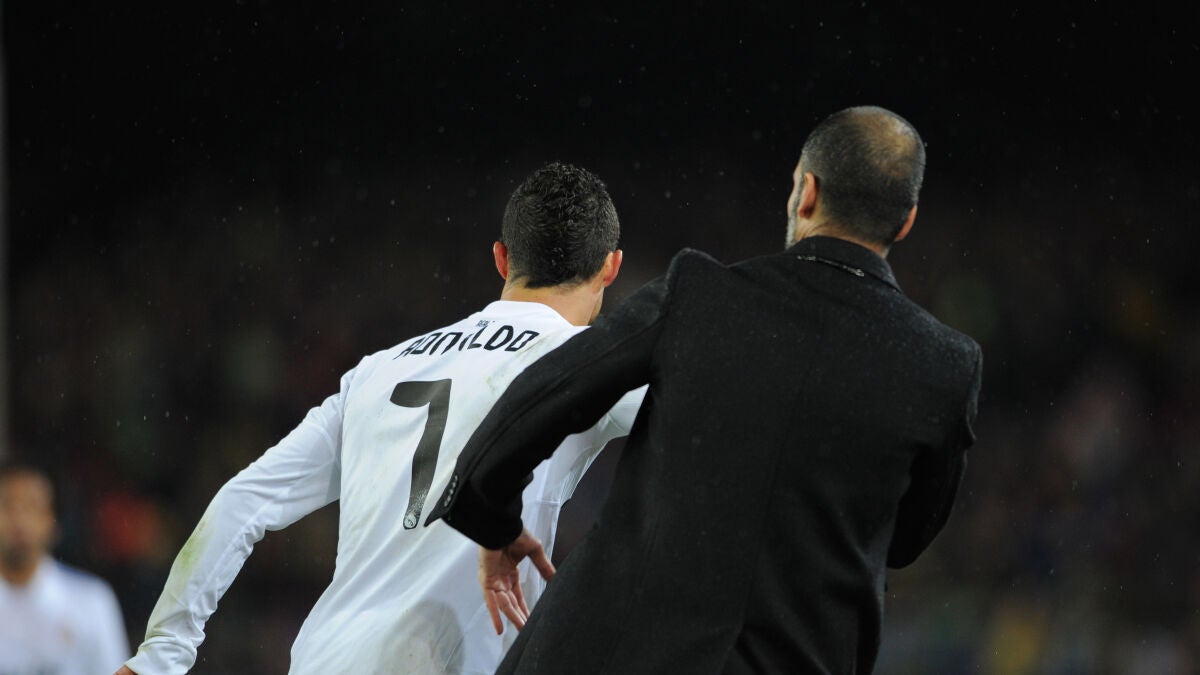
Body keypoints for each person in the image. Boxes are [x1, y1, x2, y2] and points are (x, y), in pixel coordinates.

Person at [427, 106, 984, 673]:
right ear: (906, 221)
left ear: (807, 192)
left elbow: (547, 395)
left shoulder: (701, 294)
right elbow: (905, 540)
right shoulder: (944, 364)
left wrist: (491, 516)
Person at [117, 162, 646, 674]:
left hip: (327, 659)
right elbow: (692, 423)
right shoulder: (586, 365)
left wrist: (161, 656)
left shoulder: (378, 370)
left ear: (502, 259)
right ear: (611, 267)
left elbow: (244, 500)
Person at [0, 461, 131, 674]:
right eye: (8, 505)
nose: (19, 520)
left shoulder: (91, 602)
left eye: (32, 506)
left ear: (52, 521)